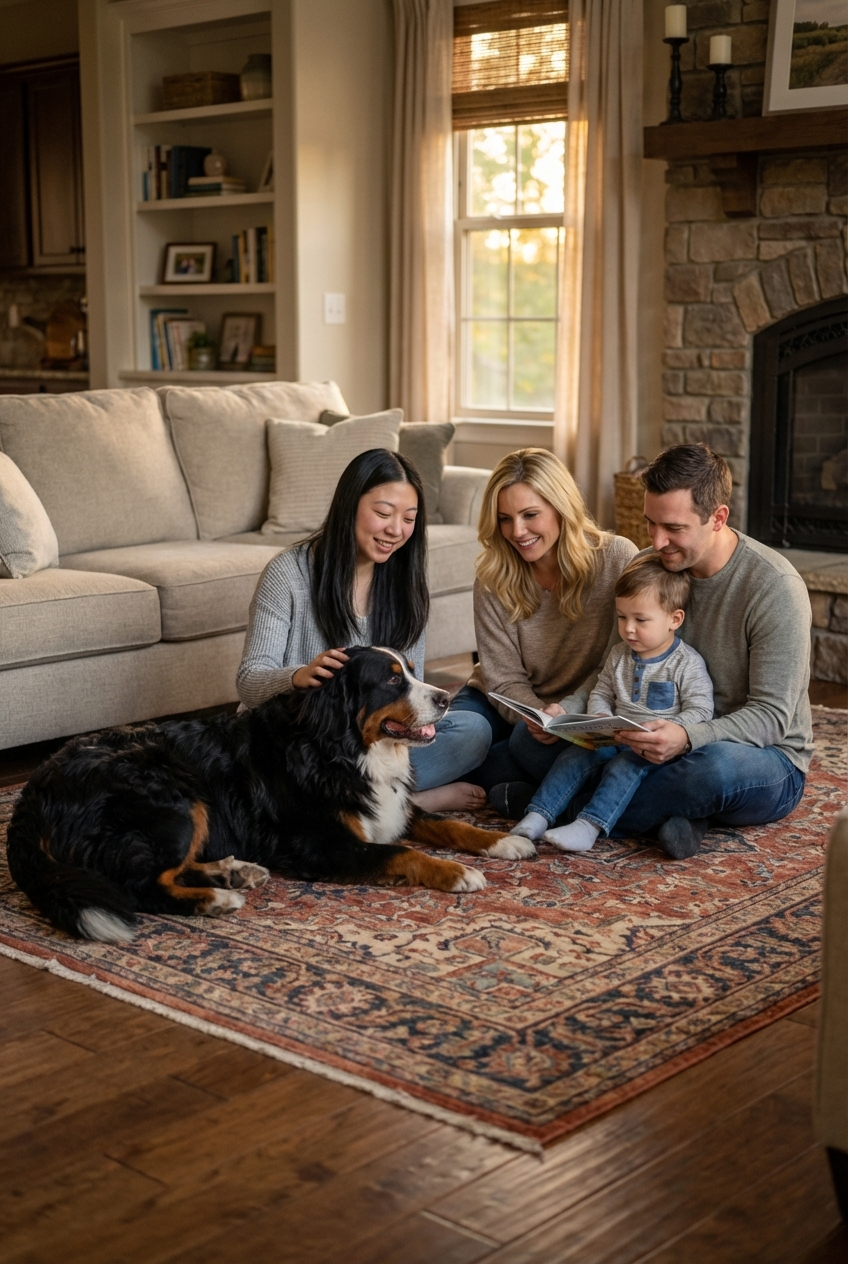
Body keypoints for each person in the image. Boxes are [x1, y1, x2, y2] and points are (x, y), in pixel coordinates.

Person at [572, 442, 813, 859]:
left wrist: (687, 737)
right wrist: (569, 713)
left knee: (710, 771)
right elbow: (615, 665)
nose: (657, 540)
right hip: (653, 742)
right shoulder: (650, 567)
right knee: (530, 743)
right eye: (651, 524)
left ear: (717, 518)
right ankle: (679, 819)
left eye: (674, 528)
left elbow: (772, 719)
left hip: (760, 758)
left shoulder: (775, 588)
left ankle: (551, 805)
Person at [236, 448, 492, 812]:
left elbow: (409, 701)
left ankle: (374, 806)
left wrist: (411, 724)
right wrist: (298, 676)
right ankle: (408, 806)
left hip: (370, 747)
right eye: (383, 513)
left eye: (409, 518)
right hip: (300, 745)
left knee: (474, 731)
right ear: (349, 506)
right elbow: (248, 681)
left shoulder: (406, 587)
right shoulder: (288, 574)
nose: (396, 530)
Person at [449, 448, 638, 808]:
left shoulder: (617, 559)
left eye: (530, 515)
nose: (517, 532)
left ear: (561, 508)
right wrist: (538, 718)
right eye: (505, 519)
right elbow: (502, 680)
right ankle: (605, 806)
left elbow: (620, 662)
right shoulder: (493, 577)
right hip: (501, 701)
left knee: (503, 761)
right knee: (465, 744)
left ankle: (525, 797)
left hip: (578, 712)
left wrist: (562, 714)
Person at [503, 553, 714, 852]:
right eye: (622, 617)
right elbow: (601, 690)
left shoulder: (686, 664)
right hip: (615, 736)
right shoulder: (618, 655)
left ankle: (588, 826)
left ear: (674, 619)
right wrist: (599, 716)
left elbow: (702, 710)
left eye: (640, 620)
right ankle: (537, 816)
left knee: (625, 766)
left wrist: (670, 729)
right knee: (575, 756)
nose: (628, 628)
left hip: (655, 750)